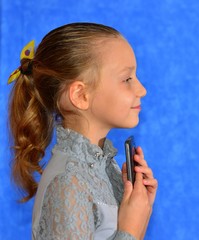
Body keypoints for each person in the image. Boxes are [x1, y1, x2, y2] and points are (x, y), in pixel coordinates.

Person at [7, 22, 158, 240]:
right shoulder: (67, 185)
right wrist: (131, 230)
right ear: (80, 95)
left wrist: (140, 211)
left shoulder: (105, 167)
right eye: (127, 79)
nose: (142, 89)